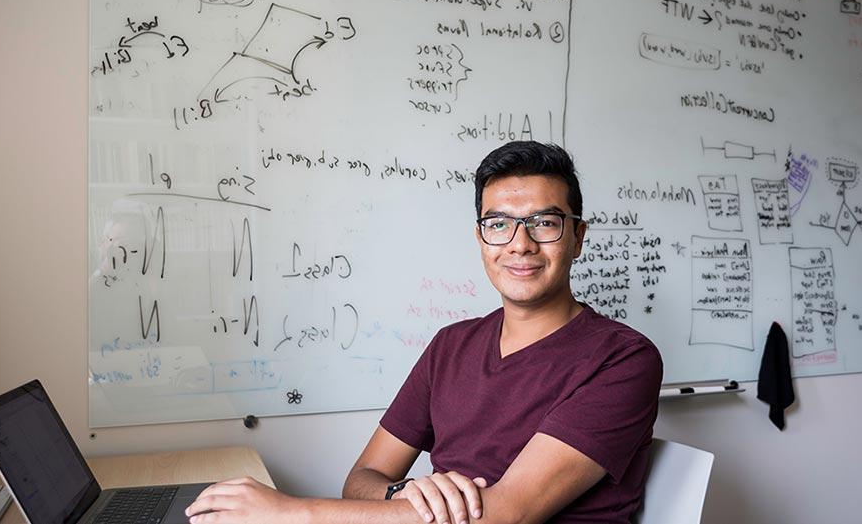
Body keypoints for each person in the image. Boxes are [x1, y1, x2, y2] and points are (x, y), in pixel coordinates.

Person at [185, 141, 663, 524]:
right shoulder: (450, 345)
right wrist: (407, 491)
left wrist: (289, 511)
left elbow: (504, 515)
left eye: (544, 223)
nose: (520, 244)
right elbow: (363, 478)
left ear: (577, 237)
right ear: (481, 239)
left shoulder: (624, 359)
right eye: (499, 224)